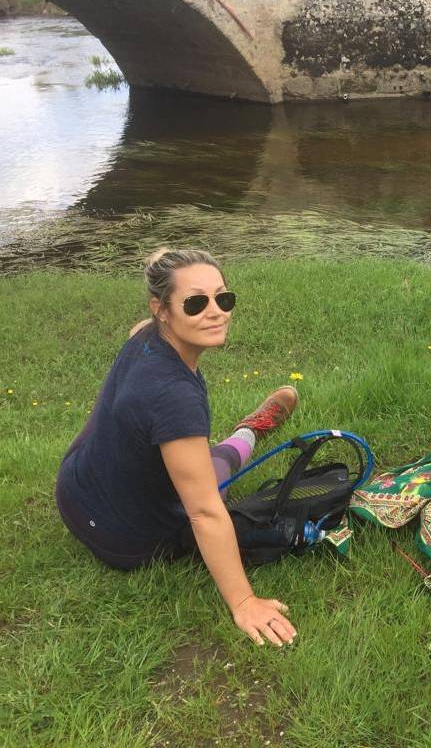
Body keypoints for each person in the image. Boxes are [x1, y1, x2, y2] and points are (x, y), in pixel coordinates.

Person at [55, 248, 299, 646]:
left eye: (224, 297)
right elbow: (203, 513)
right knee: (215, 472)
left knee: (197, 462)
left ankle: (241, 435)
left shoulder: (144, 335)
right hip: (127, 540)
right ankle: (250, 430)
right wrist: (244, 601)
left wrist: (163, 262)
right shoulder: (174, 398)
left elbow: (160, 261)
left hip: (75, 491)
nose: (216, 310)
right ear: (162, 309)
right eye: (196, 302)